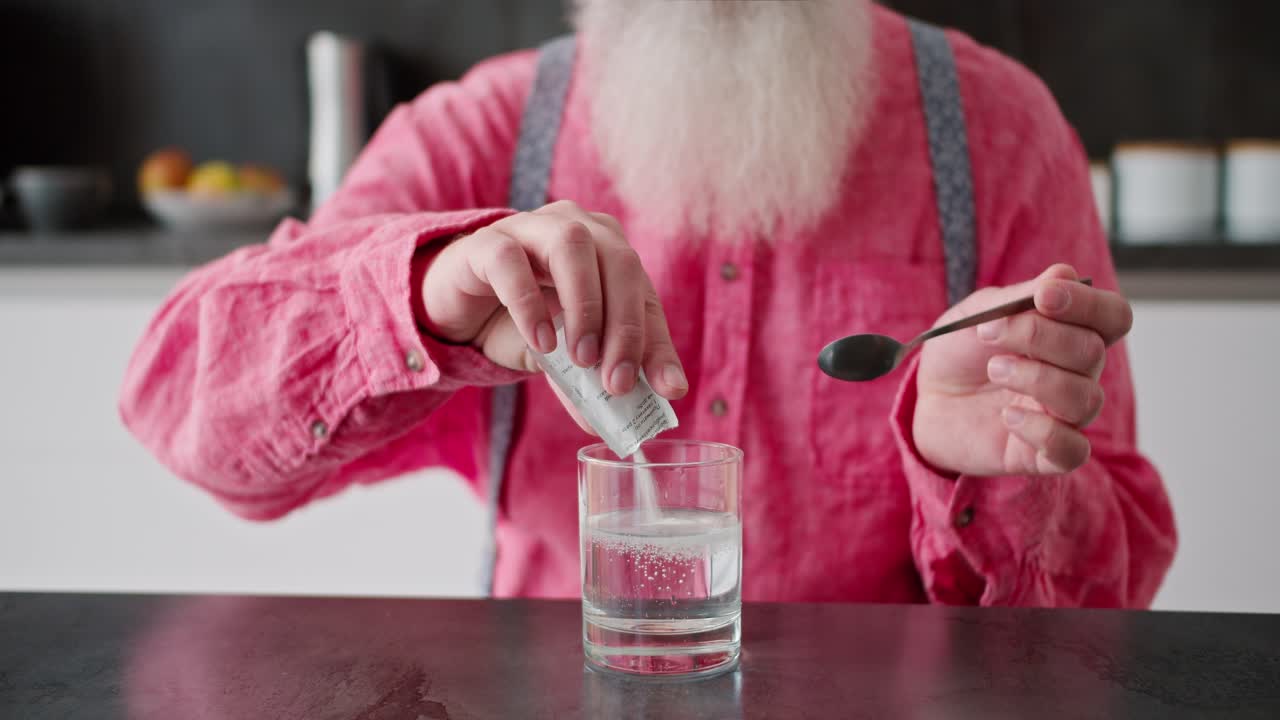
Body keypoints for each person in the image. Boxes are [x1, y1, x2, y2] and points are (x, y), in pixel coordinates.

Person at [120, 0, 1176, 606]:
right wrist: (422, 293)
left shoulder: (996, 131)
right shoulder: (490, 127)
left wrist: (991, 471)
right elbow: (179, 411)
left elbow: (1110, 596)